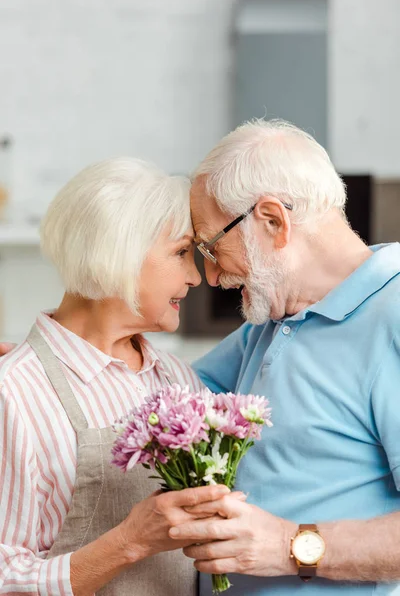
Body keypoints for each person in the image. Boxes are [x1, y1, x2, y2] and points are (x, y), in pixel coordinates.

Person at [166, 119, 400, 595]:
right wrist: (46, 363)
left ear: (273, 220)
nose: (210, 278)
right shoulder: (272, 321)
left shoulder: (391, 315)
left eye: (212, 248)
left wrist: (288, 546)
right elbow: (166, 396)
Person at [0, 158, 238, 596]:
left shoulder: (177, 378)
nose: (195, 276)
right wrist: (128, 543)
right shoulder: (13, 393)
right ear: (120, 250)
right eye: (182, 252)